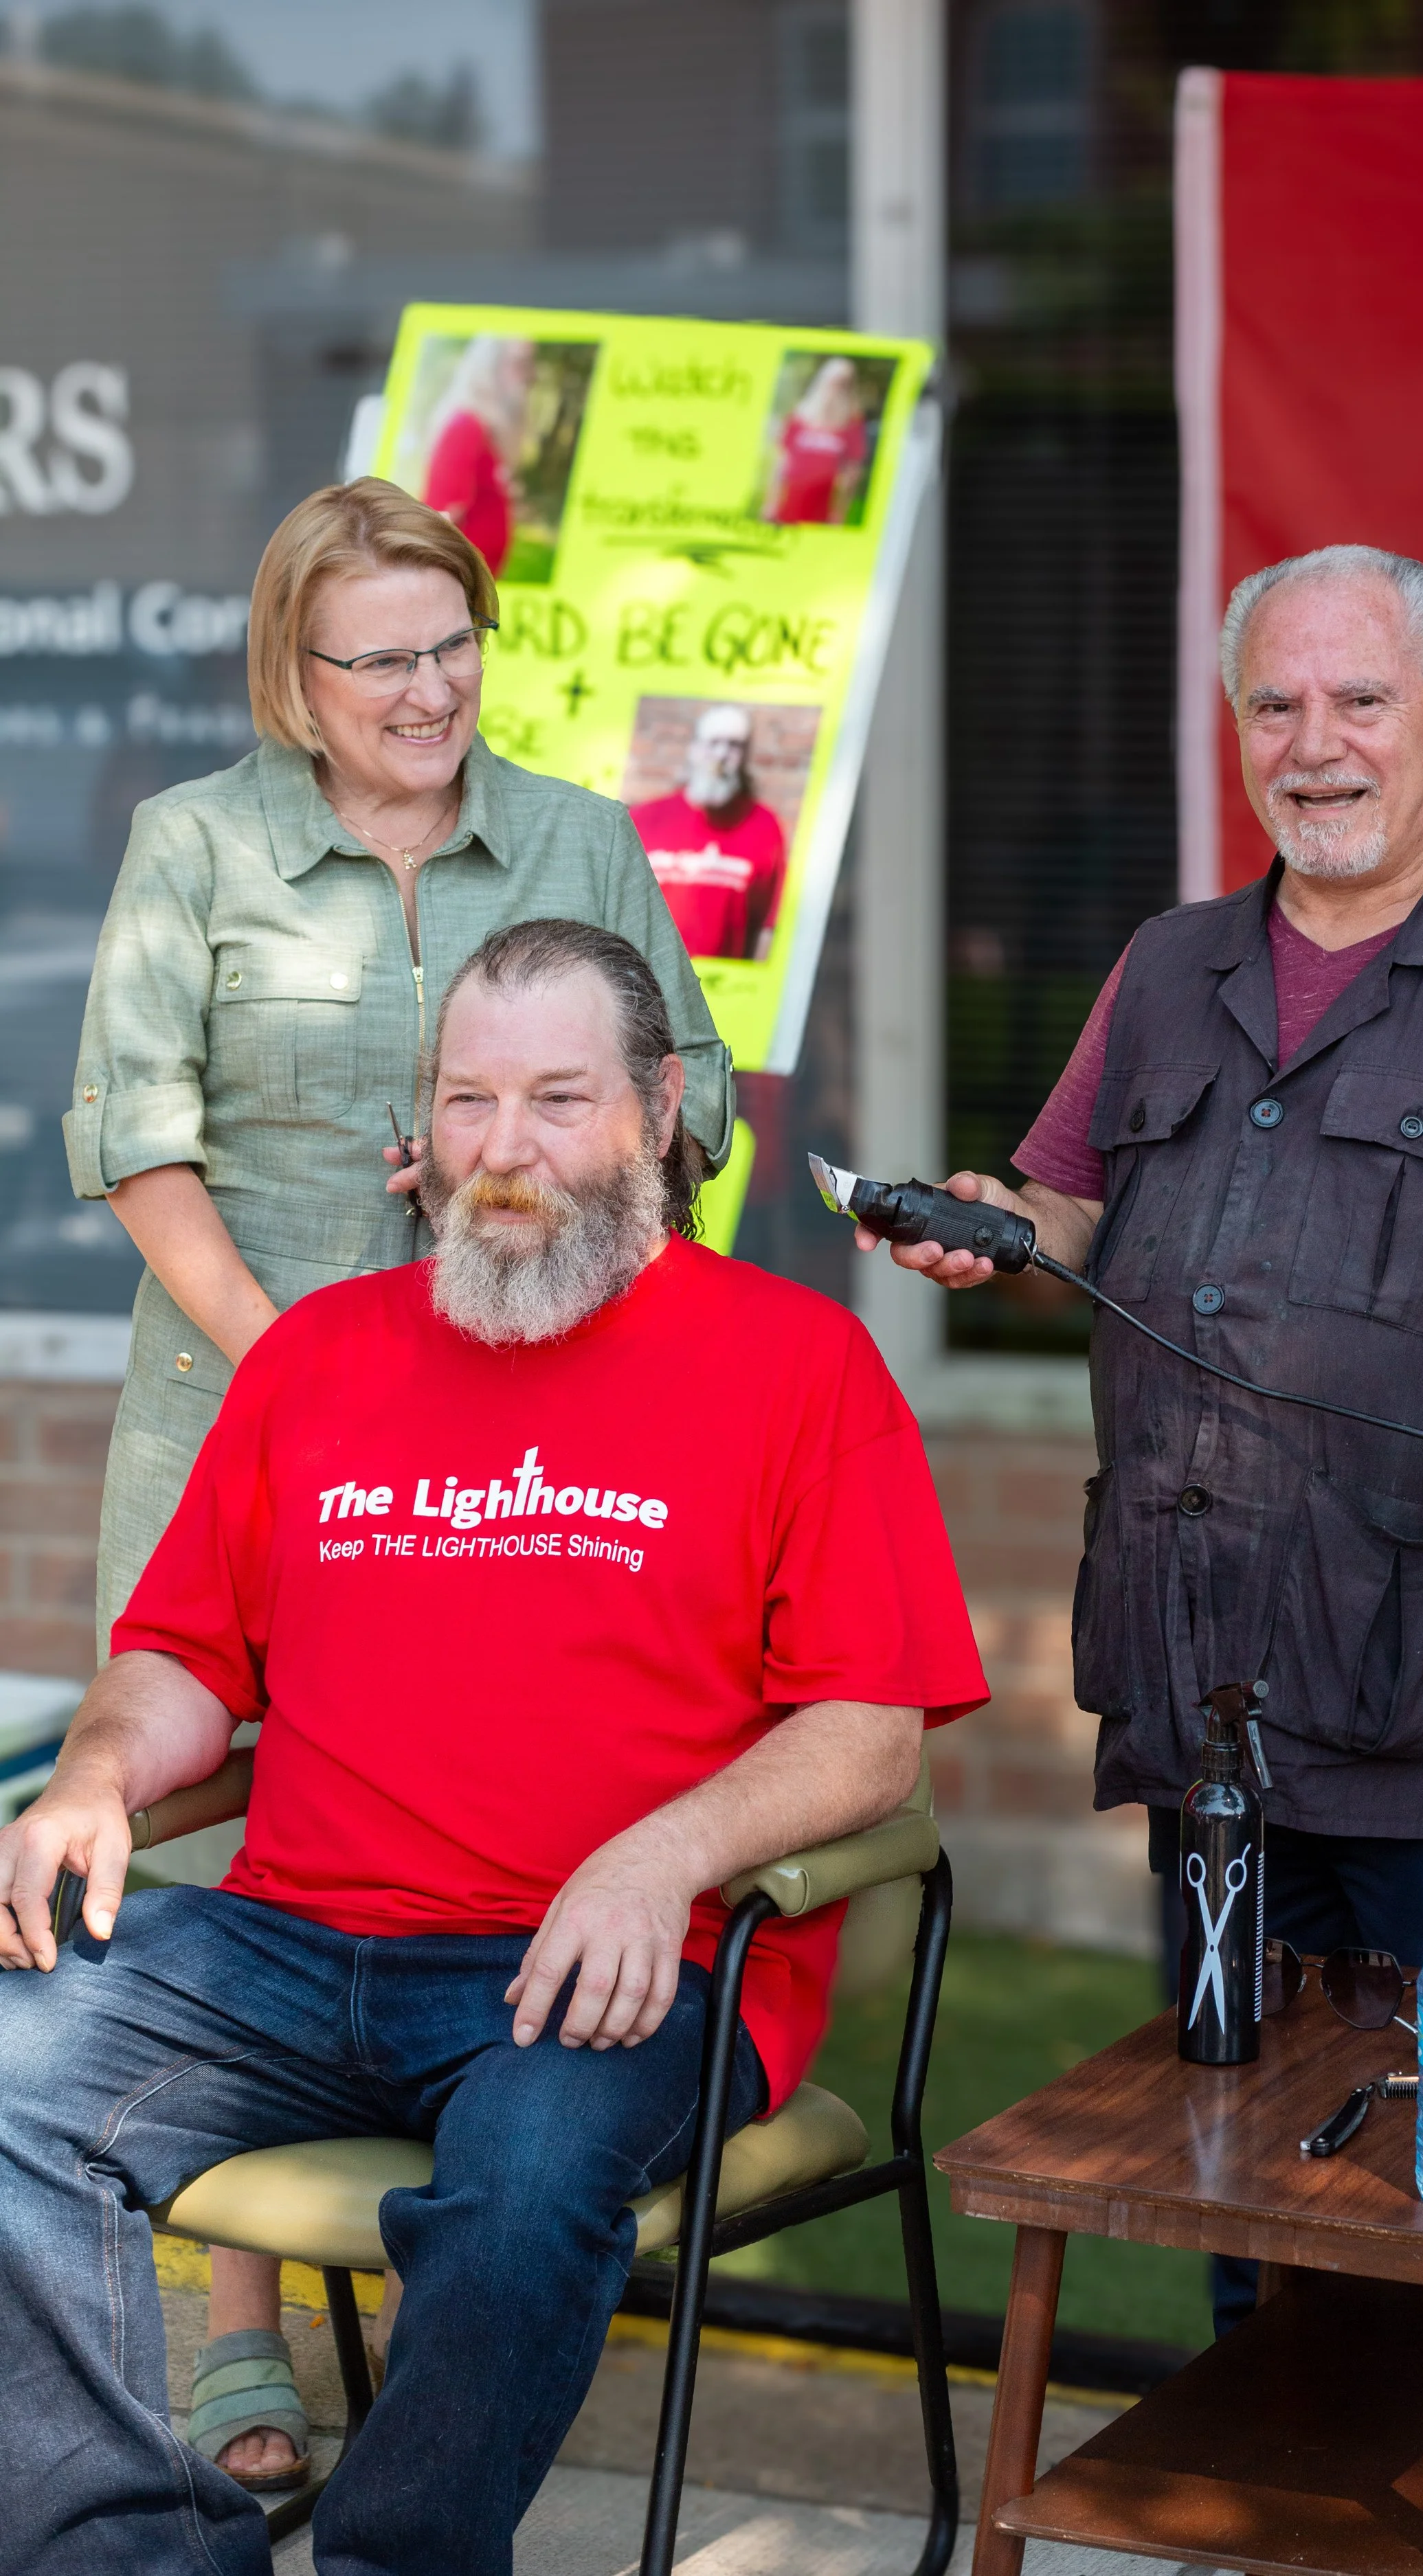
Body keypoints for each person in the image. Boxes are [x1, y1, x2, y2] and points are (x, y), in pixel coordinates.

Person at [862, 543, 1423, 2575]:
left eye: (1354, 703)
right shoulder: (1167, 968)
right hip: (1208, 1675)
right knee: (1225, 2126)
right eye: (1273, 707)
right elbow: (1069, 1203)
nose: (1310, 745)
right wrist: (987, 1215)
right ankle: (1270, 2512)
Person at [0, 920, 985, 2576]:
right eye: (467, 1100)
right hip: (290, 1945)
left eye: (556, 1097)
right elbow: (179, 1655)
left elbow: (868, 1733)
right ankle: (125, 2551)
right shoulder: (323, 1355)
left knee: (529, 2168)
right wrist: (96, 1773)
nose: (502, 1151)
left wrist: (659, 1850)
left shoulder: (794, 1362)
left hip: (612, 1963)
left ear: (662, 1107)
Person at [65, 474, 733, 2492]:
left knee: (469, 1822)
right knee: (197, 1854)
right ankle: (236, 2354)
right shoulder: (194, 846)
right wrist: (309, 1376)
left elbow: (683, 1109)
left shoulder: (581, 838)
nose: (426, 688)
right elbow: (137, 1140)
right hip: (240, 1426)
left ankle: (472, 2272)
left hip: (532, 1466)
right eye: (380, 657)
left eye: (451, 644)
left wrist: (544, 1167)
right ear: (297, 670)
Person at [629, 703, 788, 961]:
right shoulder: (645, 819)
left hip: (721, 989)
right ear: (693, 749)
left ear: (746, 755)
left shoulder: (764, 826)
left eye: (735, 745)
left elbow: (768, 927)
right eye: (714, 743)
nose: (722, 754)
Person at [421, 336, 535, 575]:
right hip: (457, 581)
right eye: (519, 363)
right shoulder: (465, 426)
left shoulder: (488, 431)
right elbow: (443, 516)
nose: (529, 375)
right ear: (490, 365)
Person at [761, 357, 870, 528]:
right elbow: (781, 462)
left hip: (824, 509)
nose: (836, 389)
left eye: (844, 383)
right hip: (790, 502)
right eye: (834, 382)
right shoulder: (799, 417)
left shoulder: (852, 423)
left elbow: (852, 471)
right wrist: (771, 503)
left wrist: (840, 511)